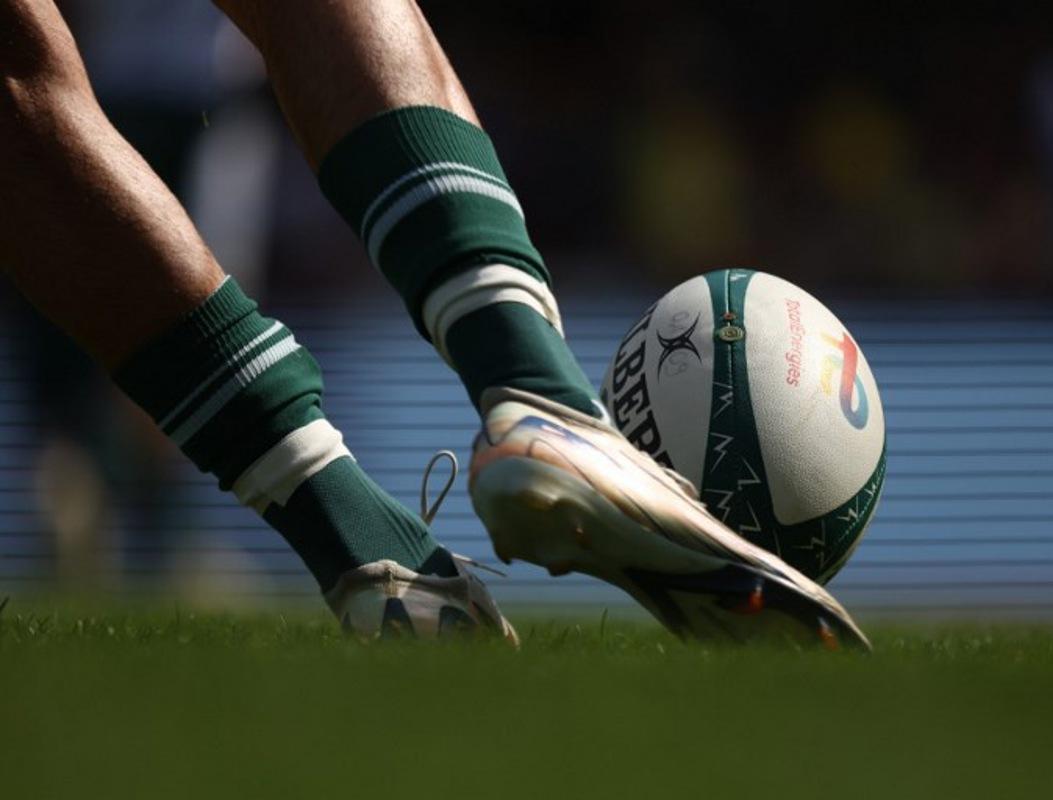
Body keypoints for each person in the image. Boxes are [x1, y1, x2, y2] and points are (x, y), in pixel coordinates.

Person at [0, 0, 866, 647]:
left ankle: (354, 541)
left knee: (15, 82)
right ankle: (539, 391)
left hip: (161, 100)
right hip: (208, 101)